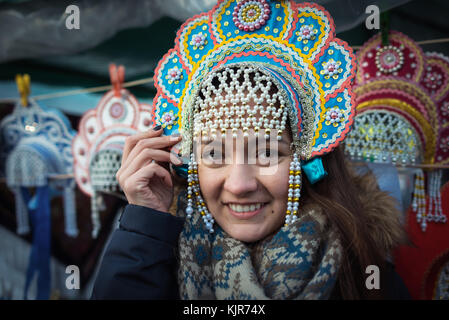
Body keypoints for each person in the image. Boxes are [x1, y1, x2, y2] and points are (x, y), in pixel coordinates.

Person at [91, 0, 410, 300]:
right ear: (190, 165)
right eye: (214, 155)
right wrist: (145, 226)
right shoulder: (157, 256)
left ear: (309, 159)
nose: (239, 185)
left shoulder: (365, 277)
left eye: (267, 154)